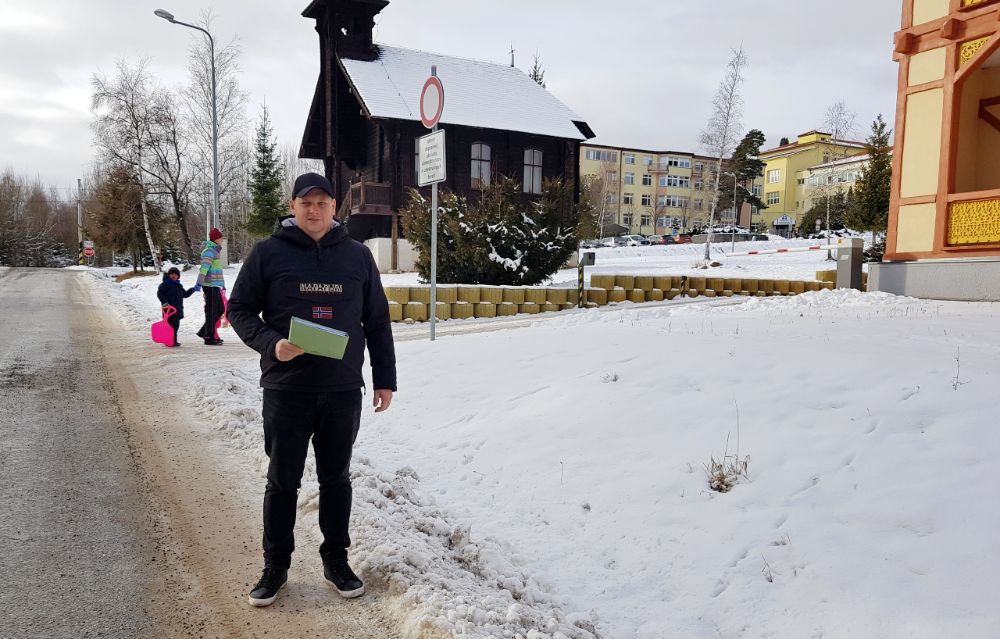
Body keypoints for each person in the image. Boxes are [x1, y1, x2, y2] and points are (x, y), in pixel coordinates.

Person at [227, 172, 396, 608]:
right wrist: (271, 344)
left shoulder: (357, 257)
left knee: (336, 479)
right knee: (282, 481)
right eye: (306, 203)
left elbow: (377, 321)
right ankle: (275, 566)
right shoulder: (268, 253)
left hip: (341, 390)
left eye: (322, 202)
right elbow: (240, 309)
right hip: (287, 390)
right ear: (293, 206)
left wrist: (385, 379)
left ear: (333, 206)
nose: (314, 210)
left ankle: (335, 560)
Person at [194, 227, 226, 345]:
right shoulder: (209, 251)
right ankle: (208, 336)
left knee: (220, 309)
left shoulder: (215, 251)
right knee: (211, 311)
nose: (222, 239)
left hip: (215, 285)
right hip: (209, 285)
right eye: (220, 237)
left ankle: (205, 332)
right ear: (216, 238)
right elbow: (204, 269)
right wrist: (199, 283)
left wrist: (222, 285)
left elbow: (217, 270)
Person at [156, 266, 197, 347]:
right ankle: (169, 340)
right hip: (168, 309)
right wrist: (164, 302)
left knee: (175, 326)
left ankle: (173, 340)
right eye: (172, 274)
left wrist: (193, 289)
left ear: (178, 276)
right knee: (170, 326)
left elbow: (185, 294)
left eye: (176, 274)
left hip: (177, 309)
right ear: (169, 275)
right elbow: (160, 293)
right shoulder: (165, 284)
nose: (174, 276)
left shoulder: (179, 285)